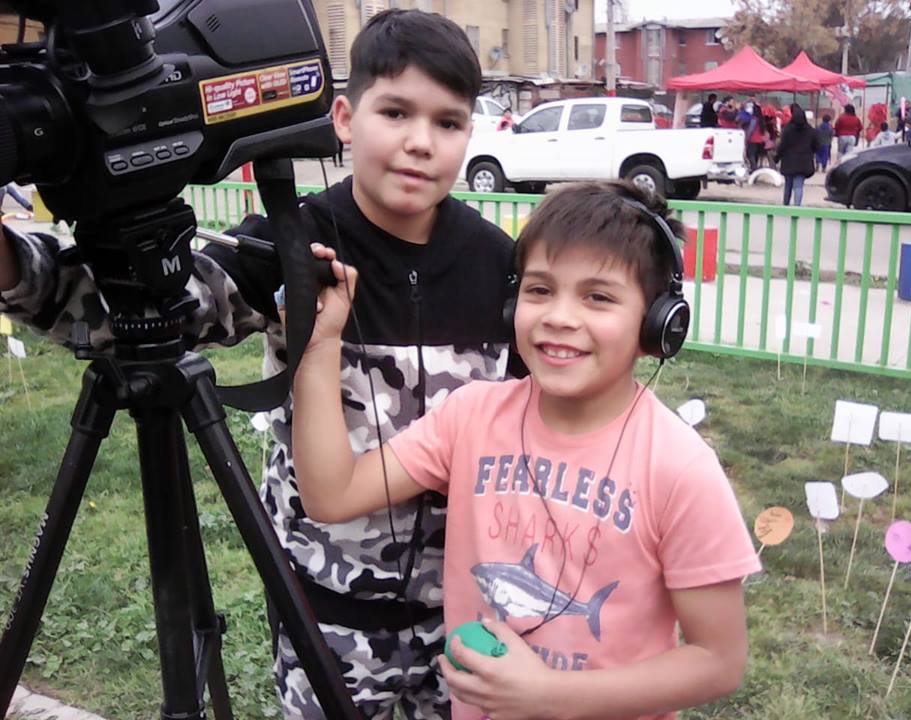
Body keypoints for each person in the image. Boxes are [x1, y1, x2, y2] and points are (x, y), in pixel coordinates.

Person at [0, 9, 521, 720]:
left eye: (448, 122)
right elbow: (137, 313)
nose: (419, 143)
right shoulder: (291, 245)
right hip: (327, 625)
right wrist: (13, 267)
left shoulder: (501, 265)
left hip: (470, 621)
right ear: (342, 116)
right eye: (395, 111)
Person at [292, 180, 761, 720]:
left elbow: (718, 661)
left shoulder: (680, 468)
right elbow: (332, 495)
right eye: (540, 290)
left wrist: (550, 697)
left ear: (658, 323)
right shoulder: (470, 417)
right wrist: (321, 343)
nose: (559, 316)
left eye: (598, 297)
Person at [775, 103, 819, 207]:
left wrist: (777, 157)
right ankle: (797, 207)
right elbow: (817, 145)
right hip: (804, 161)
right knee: (799, 186)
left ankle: (786, 205)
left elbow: (782, 146)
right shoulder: (811, 131)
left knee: (788, 185)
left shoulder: (787, 130)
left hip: (789, 161)